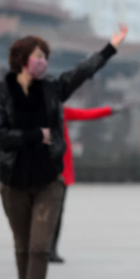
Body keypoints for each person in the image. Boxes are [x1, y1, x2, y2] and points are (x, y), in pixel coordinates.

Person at [0, 27, 127, 279]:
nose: (43, 62)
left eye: (45, 57)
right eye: (38, 57)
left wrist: (109, 49)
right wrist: (35, 135)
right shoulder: (2, 92)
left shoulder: (53, 88)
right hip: (13, 181)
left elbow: (82, 72)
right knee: (23, 245)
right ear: (23, 59)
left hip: (49, 178)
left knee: (40, 246)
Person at [50, 104, 115, 263]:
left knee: (57, 213)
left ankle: (51, 249)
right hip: (44, 170)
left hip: (62, 171)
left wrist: (109, 110)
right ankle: (40, 248)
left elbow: (86, 114)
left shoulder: (60, 110)